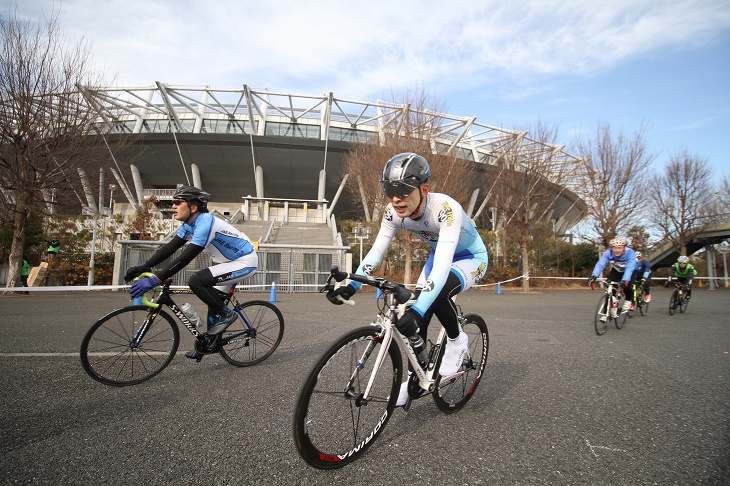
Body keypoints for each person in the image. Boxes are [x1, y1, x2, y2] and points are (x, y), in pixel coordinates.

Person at [326, 152, 488, 407]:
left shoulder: (445, 209)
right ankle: (416, 376)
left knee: (436, 295)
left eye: (403, 191)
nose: (396, 199)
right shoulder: (393, 213)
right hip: (440, 255)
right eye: (390, 190)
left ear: (424, 189)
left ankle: (458, 340)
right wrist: (353, 285)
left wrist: (422, 306)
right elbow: (377, 251)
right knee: (415, 312)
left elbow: (444, 267)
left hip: (470, 257)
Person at [124, 186, 258, 360]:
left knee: (196, 281)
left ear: (193, 207)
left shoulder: (205, 222)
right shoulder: (189, 225)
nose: (173, 206)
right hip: (226, 263)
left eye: (178, 203)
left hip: (244, 262)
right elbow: (170, 248)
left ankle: (228, 314)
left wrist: (156, 279)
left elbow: (185, 258)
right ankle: (209, 344)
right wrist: (144, 266)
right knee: (214, 307)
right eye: (173, 203)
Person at [588, 237, 637, 320]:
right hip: (617, 270)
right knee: (609, 290)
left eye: (619, 248)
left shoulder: (630, 253)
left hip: (629, 270)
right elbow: (601, 264)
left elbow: (629, 267)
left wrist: (625, 280)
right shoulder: (608, 253)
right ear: (611, 248)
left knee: (628, 287)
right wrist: (594, 275)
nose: (617, 250)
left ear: (624, 247)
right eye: (614, 248)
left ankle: (628, 301)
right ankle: (606, 313)